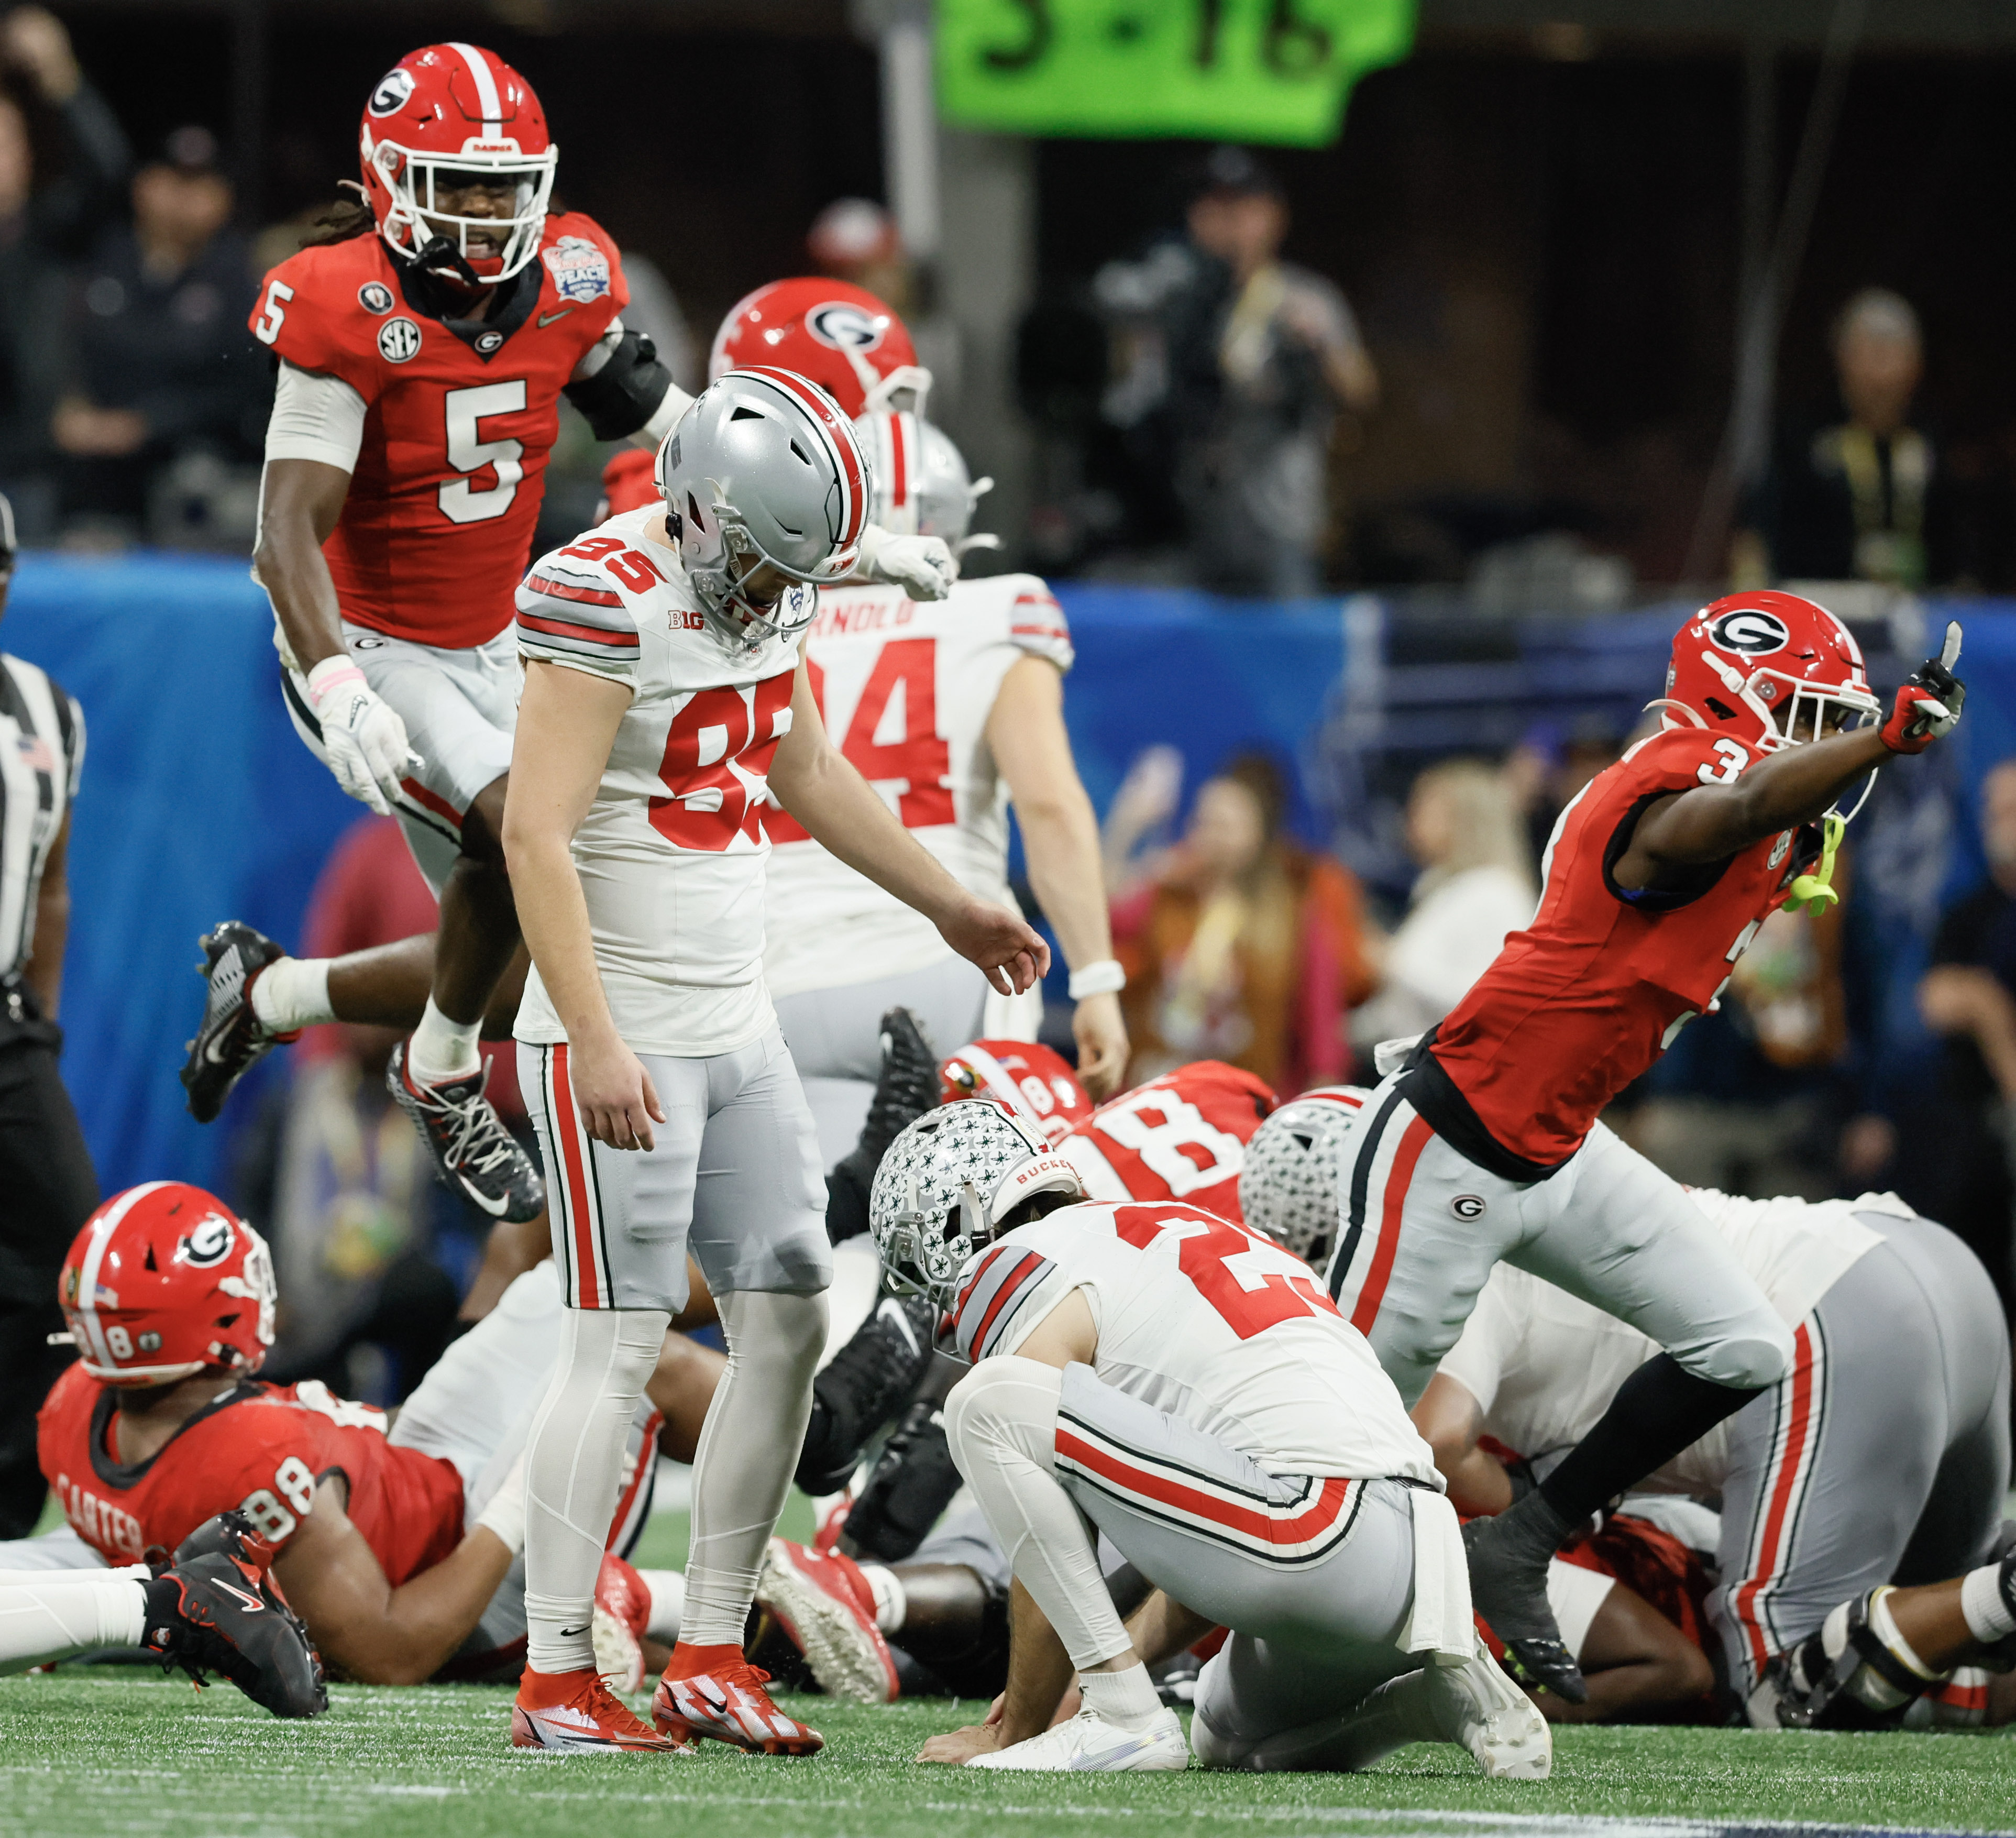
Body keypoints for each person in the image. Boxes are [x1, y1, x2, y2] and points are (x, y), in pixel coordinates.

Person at [178, 48, 961, 1219]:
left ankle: (273, 994)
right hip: (377, 643)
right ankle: (441, 1075)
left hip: (501, 636)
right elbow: (284, 530)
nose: (490, 213)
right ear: (393, 179)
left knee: (551, 952)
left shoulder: (568, 279)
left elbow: (695, 448)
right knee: (517, 834)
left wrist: (849, 539)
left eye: (504, 187)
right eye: (462, 186)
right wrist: (336, 682)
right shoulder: (344, 301)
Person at [500, 369, 1048, 1755]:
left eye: (781, 566)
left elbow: (807, 765)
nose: (761, 588)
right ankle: (559, 1675)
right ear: (692, 505)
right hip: (616, 1024)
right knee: (616, 1346)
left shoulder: (777, 577)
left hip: (733, 1013)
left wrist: (947, 899)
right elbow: (535, 837)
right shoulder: (599, 593)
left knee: (794, 1317)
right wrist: (598, 1032)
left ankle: (705, 1646)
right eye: (746, 556)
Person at [1300, 592, 1968, 1701]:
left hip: (1557, 1146)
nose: (1819, 740)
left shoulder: (1746, 801)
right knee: (1319, 1431)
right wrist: (1878, 738)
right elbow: (1737, 800)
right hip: (1450, 1142)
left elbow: (1759, 801)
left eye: (1832, 719)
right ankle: (1126, 1640)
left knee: (1745, 1345)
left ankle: (1518, 1544)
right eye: (1804, 712)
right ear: (1734, 691)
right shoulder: (1669, 787)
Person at [867, 1101, 1547, 1777]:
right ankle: (1432, 1701)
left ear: (954, 1223)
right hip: (1419, 1569)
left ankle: (1121, 1718)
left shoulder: (1022, 1256)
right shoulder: (1170, 1231)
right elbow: (1208, 1533)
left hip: (1312, 1528)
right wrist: (1107, 1659)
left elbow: (1026, 1442)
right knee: (1229, 1739)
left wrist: (1019, 1723)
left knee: (987, 1403)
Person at [1412, 1184, 2008, 1723]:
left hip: (1834, 1329)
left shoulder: (1448, 1259)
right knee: (1933, 1639)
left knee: (1783, 1695)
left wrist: (1526, 1501)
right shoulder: (1525, 1176)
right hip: (1917, 1255)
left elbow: (1438, 1440)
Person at [763, 399, 1129, 1162]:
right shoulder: (995, 610)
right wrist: (1097, 977)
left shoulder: (765, 619)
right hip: (948, 972)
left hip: (777, 983)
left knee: (819, 1252)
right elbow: (1049, 805)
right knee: (982, 1245)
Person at [1093, 145, 1376, 597]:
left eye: (1241, 208)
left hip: (1278, 519)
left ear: (1273, 216)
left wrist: (1318, 348)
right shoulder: (1173, 298)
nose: (1226, 223)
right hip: (1188, 518)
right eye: (1211, 207)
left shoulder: (1302, 298)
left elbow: (1360, 391)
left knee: (1280, 649)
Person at [0, 488, 94, 1538]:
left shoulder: (46, 708)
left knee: (66, 1256)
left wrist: (42, 1018)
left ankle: (6, 1509)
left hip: (6, 1021)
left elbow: (54, 879)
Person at [1106, 750, 1372, 1094]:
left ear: (1260, 832)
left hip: (1243, 1102)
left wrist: (1324, 1095)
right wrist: (1127, 824)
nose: (1212, 835)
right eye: (1204, 821)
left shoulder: (1294, 913)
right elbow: (1101, 922)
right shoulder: (1167, 894)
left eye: (1227, 825)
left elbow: (1322, 1028)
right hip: (1152, 1088)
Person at [53, 126, 264, 540]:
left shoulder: (241, 280)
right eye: (170, 180)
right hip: (94, 476)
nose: (181, 198)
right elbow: (59, 346)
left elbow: (243, 389)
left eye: (199, 184)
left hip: (197, 474)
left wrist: (146, 424)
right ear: (141, 187)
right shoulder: (100, 258)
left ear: (224, 198)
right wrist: (66, 402)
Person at [1741, 290, 1966, 592]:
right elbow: (1759, 528)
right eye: (1872, 353)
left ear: (1916, 364)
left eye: (1893, 354)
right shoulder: (1802, 433)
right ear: (1843, 357)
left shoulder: (1931, 437)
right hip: (1817, 602)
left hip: (1919, 604)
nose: (1881, 375)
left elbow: (1957, 535)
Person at [0, 6, 128, 537]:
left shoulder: (53, 236)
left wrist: (62, 79)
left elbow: (109, 174)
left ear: (28, 155)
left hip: (32, 469)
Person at [1914, 755, 2016, 1309]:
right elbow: (1937, 1002)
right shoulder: (1968, 914)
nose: (2000, 820)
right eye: (1992, 808)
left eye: (2012, 808)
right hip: (1971, 1125)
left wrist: (1987, 1009)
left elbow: (1975, 1000)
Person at [1352, 760, 1537, 1049]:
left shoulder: (1497, 892)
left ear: (1467, 819)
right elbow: (1401, 1011)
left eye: (1427, 810)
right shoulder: (1438, 885)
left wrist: (1392, 962)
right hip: (1418, 1065)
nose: (1412, 819)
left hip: (1458, 1074)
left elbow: (1496, 999)